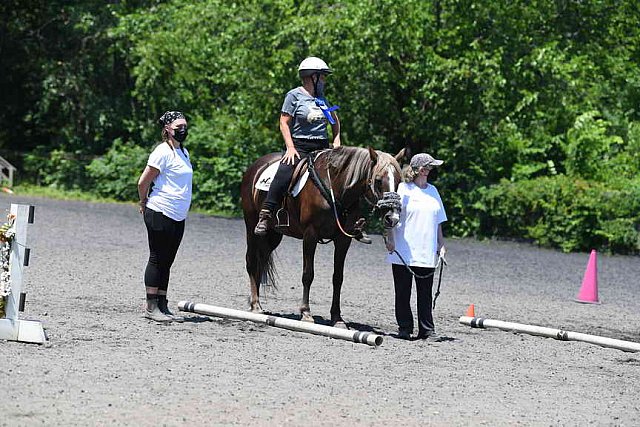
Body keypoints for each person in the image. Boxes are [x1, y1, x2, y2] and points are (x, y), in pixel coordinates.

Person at [254, 56, 363, 238]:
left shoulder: (322, 99)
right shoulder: (294, 96)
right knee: (284, 171)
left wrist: (337, 140)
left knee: (347, 176)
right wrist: (290, 147)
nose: (324, 80)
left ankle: (354, 221)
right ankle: (266, 213)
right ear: (312, 77)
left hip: (323, 147)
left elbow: (335, 121)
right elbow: (283, 122)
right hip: (300, 146)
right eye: (322, 76)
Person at [137, 111, 193, 322]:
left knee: (168, 260)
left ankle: (162, 303)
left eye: (185, 126)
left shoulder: (184, 152)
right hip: (160, 210)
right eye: (179, 127)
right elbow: (143, 182)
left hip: (178, 215)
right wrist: (143, 202)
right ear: (167, 129)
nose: (183, 130)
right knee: (157, 258)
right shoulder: (162, 151)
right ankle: (151, 307)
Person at [384, 153, 447, 340]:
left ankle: (427, 329)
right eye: (426, 167)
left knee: (425, 293)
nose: (428, 171)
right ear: (418, 169)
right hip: (403, 249)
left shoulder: (433, 191)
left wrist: (441, 245)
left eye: (430, 168)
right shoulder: (402, 189)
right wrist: (389, 238)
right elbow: (390, 216)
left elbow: (438, 222)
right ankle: (404, 327)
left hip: (426, 250)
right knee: (402, 292)